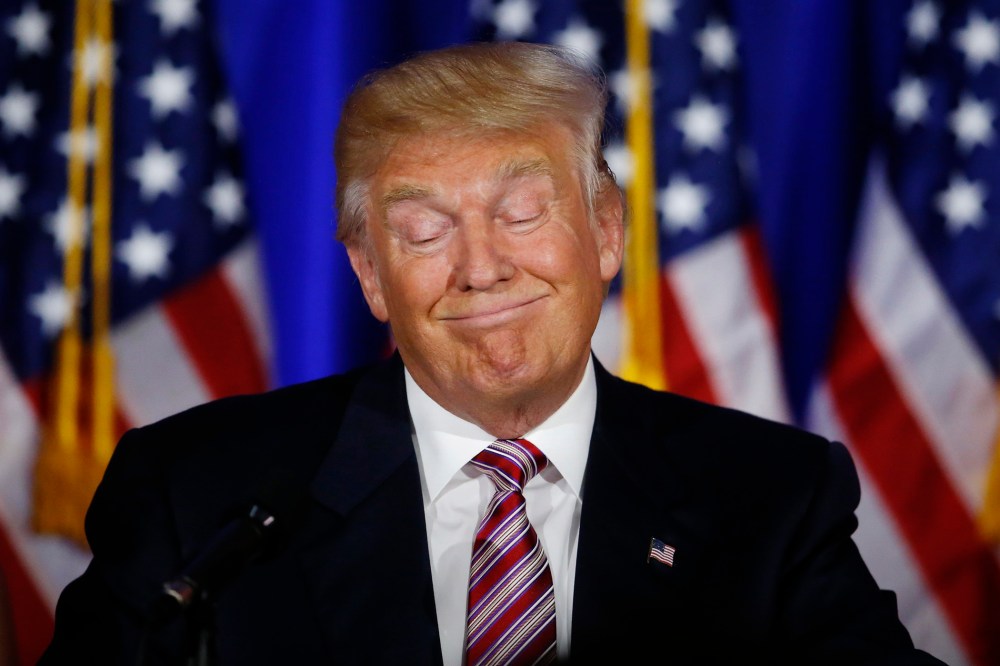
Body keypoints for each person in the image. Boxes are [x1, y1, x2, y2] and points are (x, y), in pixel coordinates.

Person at [42, 42, 943, 665]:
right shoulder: (199, 494)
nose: (480, 267)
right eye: (424, 229)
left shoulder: (771, 495)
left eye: (521, 213)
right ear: (369, 274)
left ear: (604, 231)